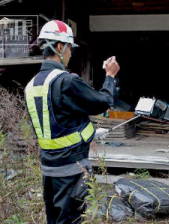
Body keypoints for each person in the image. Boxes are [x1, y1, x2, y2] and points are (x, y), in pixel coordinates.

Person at [24, 20, 119, 224]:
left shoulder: (31, 86)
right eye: (69, 48)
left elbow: (57, 123)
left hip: (49, 171)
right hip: (71, 171)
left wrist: (91, 133)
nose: (70, 53)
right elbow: (103, 101)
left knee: (55, 220)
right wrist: (110, 76)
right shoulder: (66, 81)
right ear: (60, 47)